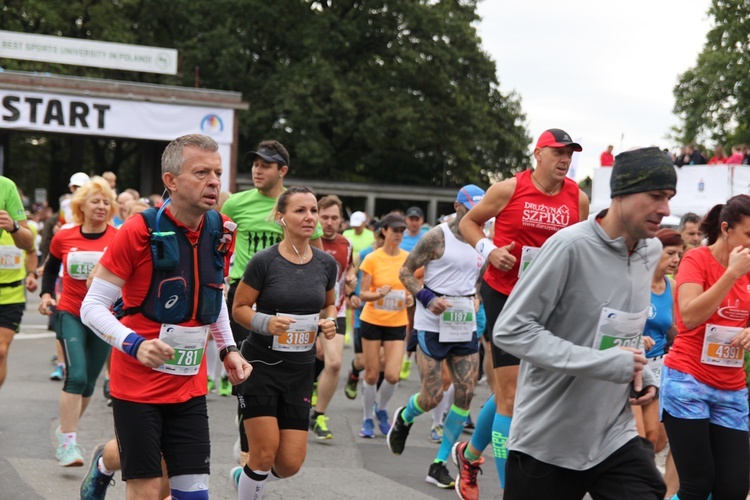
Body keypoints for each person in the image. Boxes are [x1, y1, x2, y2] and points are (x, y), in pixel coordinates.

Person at [492, 146, 675, 499]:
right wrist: (604, 364)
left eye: (668, 197)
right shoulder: (569, 247)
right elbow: (510, 329)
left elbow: (625, 328)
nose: (665, 209)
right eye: (655, 196)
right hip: (548, 441)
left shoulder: (650, 251)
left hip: (612, 437)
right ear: (621, 193)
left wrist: (643, 374)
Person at [80, 134, 251, 500]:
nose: (215, 182)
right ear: (170, 181)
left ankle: (107, 457)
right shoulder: (137, 231)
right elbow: (91, 307)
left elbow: (213, 296)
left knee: (193, 495)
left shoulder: (222, 230)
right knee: (148, 489)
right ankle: (104, 463)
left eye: (218, 173)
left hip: (189, 385)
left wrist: (228, 349)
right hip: (137, 388)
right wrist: (135, 344)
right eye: (201, 172)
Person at [455, 128, 589, 497]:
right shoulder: (508, 189)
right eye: (558, 152)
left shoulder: (578, 197)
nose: (564, 160)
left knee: (513, 395)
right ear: (538, 153)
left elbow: (581, 247)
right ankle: (509, 489)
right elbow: (467, 222)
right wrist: (488, 249)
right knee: (512, 397)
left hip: (550, 301)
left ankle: (469, 455)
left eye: (569, 154)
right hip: (505, 295)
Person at [230, 186, 337, 499]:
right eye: (300, 211)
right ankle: (251, 482)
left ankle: (244, 477)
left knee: (290, 463)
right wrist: (267, 323)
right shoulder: (264, 262)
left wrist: (329, 321)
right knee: (263, 456)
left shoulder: (325, 264)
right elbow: (239, 309)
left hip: (300, 371)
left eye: (313, 210)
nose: (309, 217)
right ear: (281, 217)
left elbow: (330, 304)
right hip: (261, 366)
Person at [220, 140, 323, 467]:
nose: (257, 169)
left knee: (287, 367)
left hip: (289, 299)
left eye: (266, 164)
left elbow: (318, 258)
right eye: (255, 163)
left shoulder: (299, 206)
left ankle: (266, 431)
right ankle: (250, 436)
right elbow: (214, 239)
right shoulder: (236, 203)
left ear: (283, 171)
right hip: (246, 295)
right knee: (246, 369)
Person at [387, 185, 486, 490]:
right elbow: (404, 273)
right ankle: (404, 416)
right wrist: (428, 298)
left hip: (463, 323)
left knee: (465, 395)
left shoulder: (483, 239)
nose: (478, 215)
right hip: (432, 323)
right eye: (471, 208)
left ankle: (439, 463)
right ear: (458, 206)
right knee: (432, 397)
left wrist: (476, 297)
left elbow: (477, 277)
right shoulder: (437, 237)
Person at [660, 195, 750, 500]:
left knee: (734, 489)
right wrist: (731, 274)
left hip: (731, 387)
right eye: (749, 234)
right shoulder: (697, 260)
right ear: (726, 229)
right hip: (688, 380)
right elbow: (690, 315)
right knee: (697, 484)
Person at [38, 177, 118, 467]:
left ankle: (65, 430)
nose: (101, 206)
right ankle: (68, 444)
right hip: (70, 311)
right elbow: (51, 269)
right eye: (95, 200)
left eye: (106, 201)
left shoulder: (118, 237)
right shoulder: (65, 236)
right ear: (81, 205)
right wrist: (47, 295)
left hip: (103, 317)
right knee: (77, 376)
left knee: (88, 384)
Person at [356, 213, 413, 438]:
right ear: (384, 231)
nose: (398, 234)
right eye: (395, 230)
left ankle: (381, 410)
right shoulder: (372, 258)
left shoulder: (409, 259)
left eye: (402, 231)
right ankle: (367, 418)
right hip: (372, 321)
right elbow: (362, 293)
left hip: (397, 322)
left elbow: (414, 287)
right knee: (371, 375)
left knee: (392, 375)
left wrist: (411, 298)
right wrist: (376, 294)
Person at [636, 228, 683, 497]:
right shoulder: (635, 281)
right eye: (670, 253)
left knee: (655, 439)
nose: (676, 259)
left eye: (679, 254)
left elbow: (673, 330)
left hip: (659, 368)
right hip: (633, 367)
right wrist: (635, 337)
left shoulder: (672, 286)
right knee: (641, 440)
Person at [309, 194, 355, 440]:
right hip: (306, 313)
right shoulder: (307, 240)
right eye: (324, 217)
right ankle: (307, 395)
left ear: (341, 221)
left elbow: (348, 269)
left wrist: (352, 279)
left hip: (335, 311)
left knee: (334, 362)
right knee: (312, 358)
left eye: (334, 218)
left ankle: (318, 415)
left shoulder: (346, 244)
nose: (328, 222)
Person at [0, 175, 37, 392]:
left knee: (1, 351)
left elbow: (29, 244)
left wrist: (13, 226)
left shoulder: (6, 186)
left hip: (10, 294)